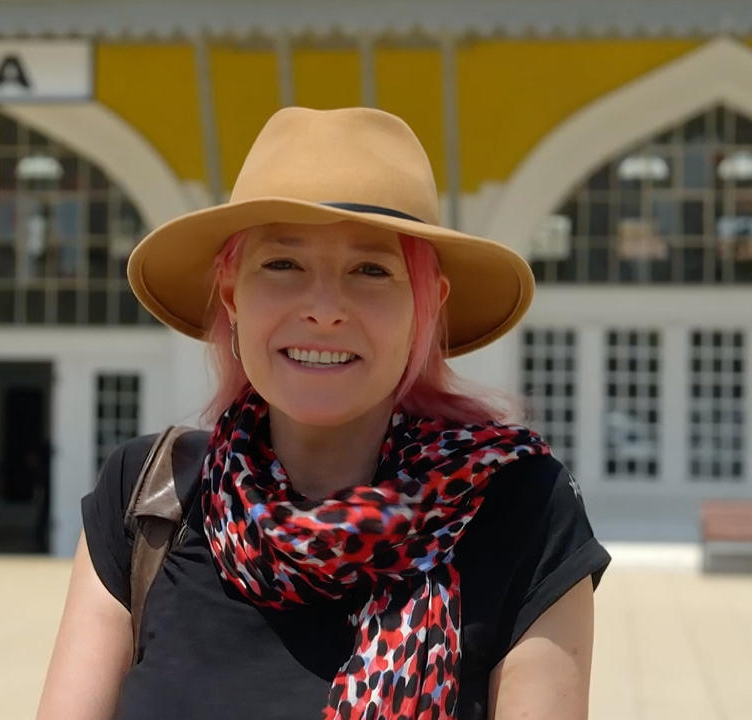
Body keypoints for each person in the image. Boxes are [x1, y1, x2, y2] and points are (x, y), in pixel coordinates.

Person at [37, 107, 611, 720]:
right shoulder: (150, 497)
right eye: (282, 265)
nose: (325, 309)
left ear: (426, 306)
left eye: (371, 270)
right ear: (232, 294)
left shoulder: (518, 506)